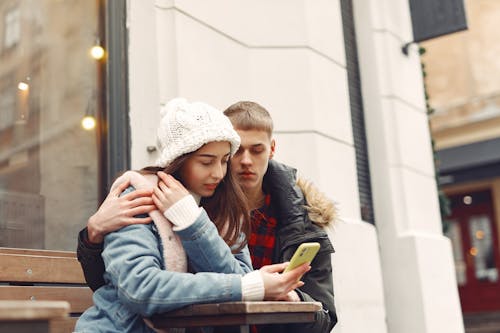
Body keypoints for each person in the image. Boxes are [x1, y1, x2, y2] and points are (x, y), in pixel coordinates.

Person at [77, 101, 338, 333]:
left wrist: (192, 222)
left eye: (224, 160)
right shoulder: (139, 197)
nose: (219, 172)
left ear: (271, 149)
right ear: (180, 159)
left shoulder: (223, 206)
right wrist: (92, 235)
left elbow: (241, 276)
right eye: (206, 161)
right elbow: (139, 287)